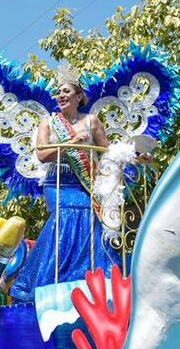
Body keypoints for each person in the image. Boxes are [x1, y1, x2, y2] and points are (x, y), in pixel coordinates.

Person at [10, 79, 120, 302]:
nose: (60, 95)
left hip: (84, 183)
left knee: (90, 221)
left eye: (66, 91)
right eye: (58, 92)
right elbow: (42, 155)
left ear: (79, 96)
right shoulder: (49, 122)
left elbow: (108, 153)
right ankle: (51, 282)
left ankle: (90, 282)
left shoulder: (92, 121)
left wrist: (133, 155)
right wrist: (72, 142)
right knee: (64, 220)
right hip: (58, 182)